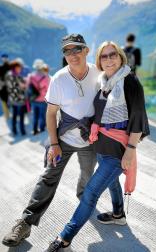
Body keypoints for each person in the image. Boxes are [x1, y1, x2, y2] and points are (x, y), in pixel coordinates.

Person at [43, 41, 150, 251]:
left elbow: (138, 118)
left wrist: (131, 150)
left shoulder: (129, 82)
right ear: (99, 61)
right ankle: (118, 214)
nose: (109, 59)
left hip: (118, 151)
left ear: (121, 57)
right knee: (112, 183)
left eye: (113, 55)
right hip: (101, 147)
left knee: (91, 192)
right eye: (104, 56)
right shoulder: (105, 82)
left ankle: (64, 237)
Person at [2, 33, 100, 247]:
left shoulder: (98, 72)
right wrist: (54, 144)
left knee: (87, 174)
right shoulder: (59, 79)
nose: (72, 54)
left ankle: (83, 199)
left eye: (76, 49)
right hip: (64, 138)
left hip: (90, 140)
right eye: (67, 51)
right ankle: (25, 222)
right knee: (47, 177)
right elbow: (50, 114)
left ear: (86, 50)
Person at [27, 59, 50, 135]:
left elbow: (28, 86)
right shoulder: (46, 77)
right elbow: (48, 89)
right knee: (42, 116)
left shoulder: (31, 76)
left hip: (33, 99)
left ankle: (34, 130)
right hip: (42, 100)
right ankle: (42, 129)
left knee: (35, 116)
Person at [5, 58, 27, 135]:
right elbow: (18, 88)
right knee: (21, 117)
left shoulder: (9, 75)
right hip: (19, 100)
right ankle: (22, 131)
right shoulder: (16, 76)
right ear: (15, 67)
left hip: (12, 100)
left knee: (14, 116)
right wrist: (23, 86)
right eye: (19, 67)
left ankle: (14, 131)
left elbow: (9, 87)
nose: (20, 69)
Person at [0, 53, 10, 119]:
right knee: (4, 101)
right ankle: (7, 114)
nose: (4, 59)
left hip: (9, 86)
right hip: (3, 87)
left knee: (7, 101)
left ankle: (7, 114)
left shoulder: (10, 67)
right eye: (3, 57)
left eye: (5, 57)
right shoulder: (1, 67)